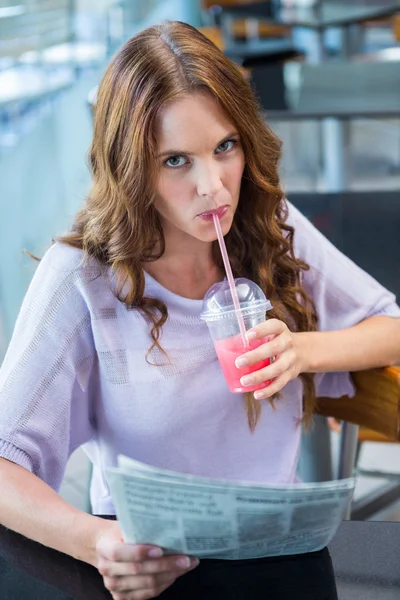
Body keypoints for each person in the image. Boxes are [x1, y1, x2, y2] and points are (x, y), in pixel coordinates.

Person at [1, 21, 400, 600]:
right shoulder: (84, 277)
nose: (213, 187)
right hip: (150, 568)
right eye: (175, 161)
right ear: (131, 167)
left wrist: (302, 350)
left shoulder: (269, 227)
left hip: (283, 556)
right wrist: (94, 543)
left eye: (224, 147)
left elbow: (391, 325)